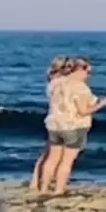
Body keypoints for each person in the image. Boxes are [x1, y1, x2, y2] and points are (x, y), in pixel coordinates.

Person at [37, 56, 106, 195]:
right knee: (66, 162)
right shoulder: (81, 88)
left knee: (52, 159)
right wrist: (101, 104)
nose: (89, 76)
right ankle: (58, 190)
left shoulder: (56, 82)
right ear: (80, 69)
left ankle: (43, 189)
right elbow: (83, 111)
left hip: (54, 125)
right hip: (73, 127)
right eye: (88, 72)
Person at [28, 56, 71, 191]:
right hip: (60, 122)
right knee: (54, 156)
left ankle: (35, 182)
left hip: (53, 120)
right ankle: (43, 183)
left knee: (47, 153)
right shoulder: (60, 83)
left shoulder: (53, 82)